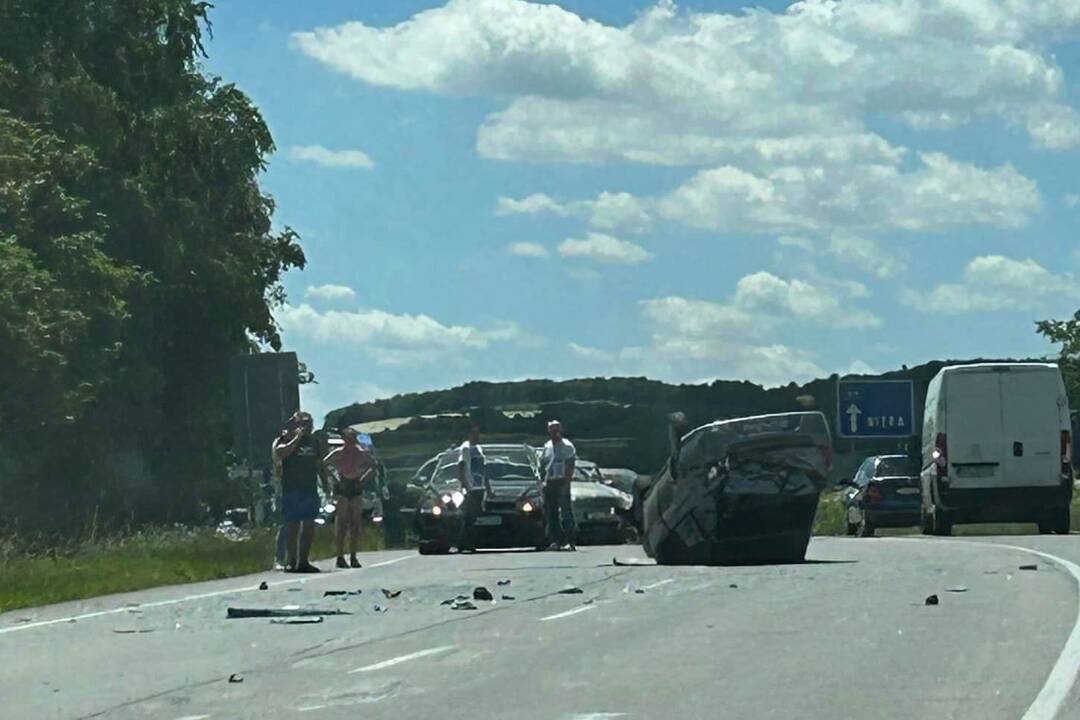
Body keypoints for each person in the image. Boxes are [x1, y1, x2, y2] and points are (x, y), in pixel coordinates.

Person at [274, 412, 330, 573]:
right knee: (292, 526)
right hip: (292, 489)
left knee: (309, 525)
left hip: (310, 489)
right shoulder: (286, 439)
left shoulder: (315, 442)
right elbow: (281, 452)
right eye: (303, 423)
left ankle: (303, 561)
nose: (307, 426)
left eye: (310, 423)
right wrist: (296, 438)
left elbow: (320, 464)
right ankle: (291, 561)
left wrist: (326, 483)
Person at [323, 427, 377, 569]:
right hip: (343, 484)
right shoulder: (339, 452)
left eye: (352, 438)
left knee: (355, 524)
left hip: (355, 484)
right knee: (341, 523)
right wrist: (334, 478)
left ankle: (353, 556)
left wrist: (362, 480)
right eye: (348, 438)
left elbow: (373, 466)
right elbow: (324, 464)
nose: (350, 441)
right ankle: (340, 556)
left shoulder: (361, 453)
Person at [456, 424, 495, 552]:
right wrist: (466, 486)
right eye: (475, 433)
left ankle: (470, 542)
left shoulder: (478, 449)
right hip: (471, 488)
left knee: (474, 517)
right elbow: (462, 467)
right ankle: (463, 543)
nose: (478, 436)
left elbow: (484, 470)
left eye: (478, 433)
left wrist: (488, 489)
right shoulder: (465, 448)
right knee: (469, 517)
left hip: (480, 487)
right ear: (469, 434)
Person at [540, 419, 577, 551]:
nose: (554, 432)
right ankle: (555, 541)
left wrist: (566, 484)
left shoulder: (567, 446)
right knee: (551, 513)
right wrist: (542, 481)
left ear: (560, 430)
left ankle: (570, 541)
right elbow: (543, 464)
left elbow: (570, 465)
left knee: (565, 512)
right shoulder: (547, 446)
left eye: (556, 429)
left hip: (562, 481)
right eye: (552, 429)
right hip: (550, 482)